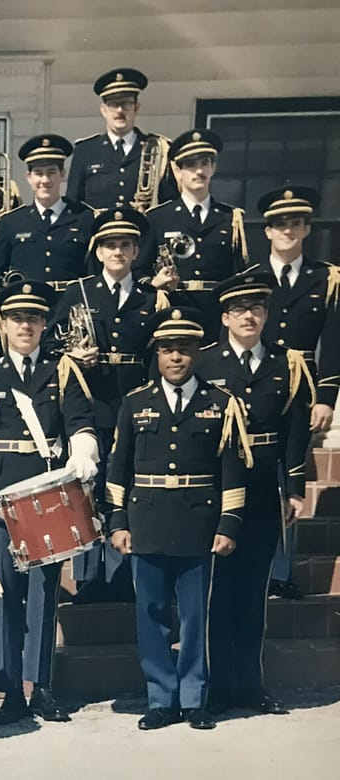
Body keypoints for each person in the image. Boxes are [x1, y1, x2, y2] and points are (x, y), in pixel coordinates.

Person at [0, 280, 99, 725]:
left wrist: (83, 452)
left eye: (33, 318)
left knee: (43, 595)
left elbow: (81, 422)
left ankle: (43, 687)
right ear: (4, 324)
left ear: (44, 323)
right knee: (4, 595)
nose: (26, 326)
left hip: (47, 497)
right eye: (17, 318)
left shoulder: (63, 369)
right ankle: (11, 689)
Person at [106, 306, 249, 731]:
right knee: (150, 613)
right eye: (167, 350)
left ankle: (193, 698)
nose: (175, 358)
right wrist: (117, 521)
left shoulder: (221, 404)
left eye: (184, 350)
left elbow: (233, 469)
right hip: (146, 521)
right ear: (156, 354)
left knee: (194, 616)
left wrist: (229, 524)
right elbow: (119, 468)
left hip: (198, 525)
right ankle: (160, 699)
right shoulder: (135, 404)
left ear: (197, 354)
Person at [199, 272, 312, 717]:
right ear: (225, 317)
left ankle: (250, 686)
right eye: (240, 309)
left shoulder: (288, 365)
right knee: (216, 592)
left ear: (266, 315)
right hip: (218, 493)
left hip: (265, 488)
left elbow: (296, 432)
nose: (250, 316)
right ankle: (216, 688)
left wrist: (296, 488)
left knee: (253, 592)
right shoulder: (206, 363)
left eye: (258, 308)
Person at [47, 207, 172, 603]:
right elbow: (50, 344)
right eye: (109, 245)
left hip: (135, 404)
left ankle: (122, 573)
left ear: (136, 252)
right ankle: (87, 577)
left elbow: (161, 353)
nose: (117, 252)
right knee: (89, 490)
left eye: (125, 245)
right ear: (98, 252)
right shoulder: (78, 293)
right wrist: (72, 354)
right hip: (90, 402)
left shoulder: (153, 298)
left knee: (126, 490)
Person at [243, 186, 340, 599]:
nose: (288, 231)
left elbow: (335, 342)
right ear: (267, 231)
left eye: (295, 223)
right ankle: (250, 563)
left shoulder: (326, 277)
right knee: (259, 468)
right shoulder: (250, 277)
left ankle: (281, 573)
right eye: (279, 224)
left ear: (306, 229)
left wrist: (326, 396)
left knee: (292, 472)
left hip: (303, 386)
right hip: (259, 381)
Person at [138, 129, 248, 341]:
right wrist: (154, 283)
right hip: (175, 312)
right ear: (178, 171)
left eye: (205, 163)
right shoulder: (158, 218)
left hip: (217, 318)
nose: (199, 171)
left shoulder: (230, 218)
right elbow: (137, 271)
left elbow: (239, 273)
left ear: (213, 168)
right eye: (190, 165)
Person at [0, 135, 95, 294]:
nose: (45, 180)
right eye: (38, 173)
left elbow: (95, 273)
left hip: (70, 309)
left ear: (62, 174)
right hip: (26, 312)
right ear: (29, 177)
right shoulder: (12, 222)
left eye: (51, 172)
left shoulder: (84, 218)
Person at [66, 68, 177, 211]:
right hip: (96, 232)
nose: (119, 110)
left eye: (126, 103)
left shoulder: (157, 149)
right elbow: (73, 205)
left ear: (136, 108)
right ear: (103, 110)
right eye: (113, 104)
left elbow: (169, 203)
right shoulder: (85, 151)